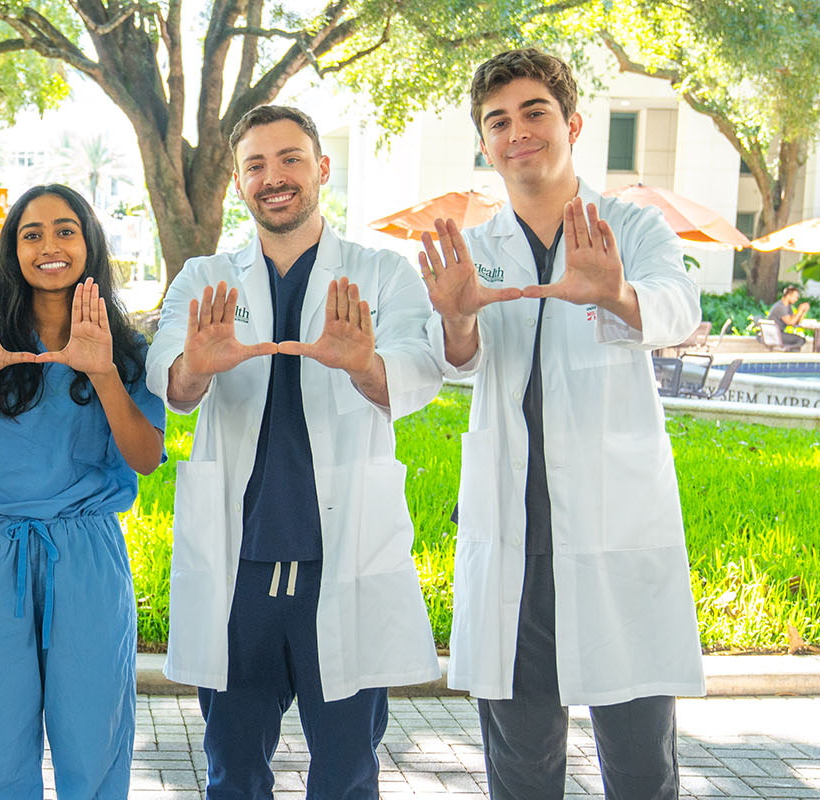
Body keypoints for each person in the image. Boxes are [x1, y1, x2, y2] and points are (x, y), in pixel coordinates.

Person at [418, 48, 705, 799]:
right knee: (521, 764)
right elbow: (458, 361)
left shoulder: (631, 227)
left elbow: (679, 311)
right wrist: (454, 318)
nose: (518, 132)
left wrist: (617, 295)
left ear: (573, 122)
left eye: (534, 112)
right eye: (498, 120)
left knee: (641, 765)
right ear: (485, 143)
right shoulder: (476, 249)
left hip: (614, 530)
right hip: (514, 536)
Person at [146, 105, 446, 798]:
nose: (272, 178)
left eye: (289, 160)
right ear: (237, 180)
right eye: (255, 165)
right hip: (238, 570)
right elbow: (174, 387)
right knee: (233, 773)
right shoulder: (203, 278)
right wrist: (198, 364)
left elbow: (420, 374)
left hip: (342, 562)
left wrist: (365, 365)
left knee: (345, 775)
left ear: (323, 169)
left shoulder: (380, 274)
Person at [0, 184, 166, 800]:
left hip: (87, 559)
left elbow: (147, 457)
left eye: (65, 230)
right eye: (31, 234)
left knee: (93, 746)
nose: (49, 246)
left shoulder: (126, 347)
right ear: (12, 249)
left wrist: (101, 370)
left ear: (89, 243)